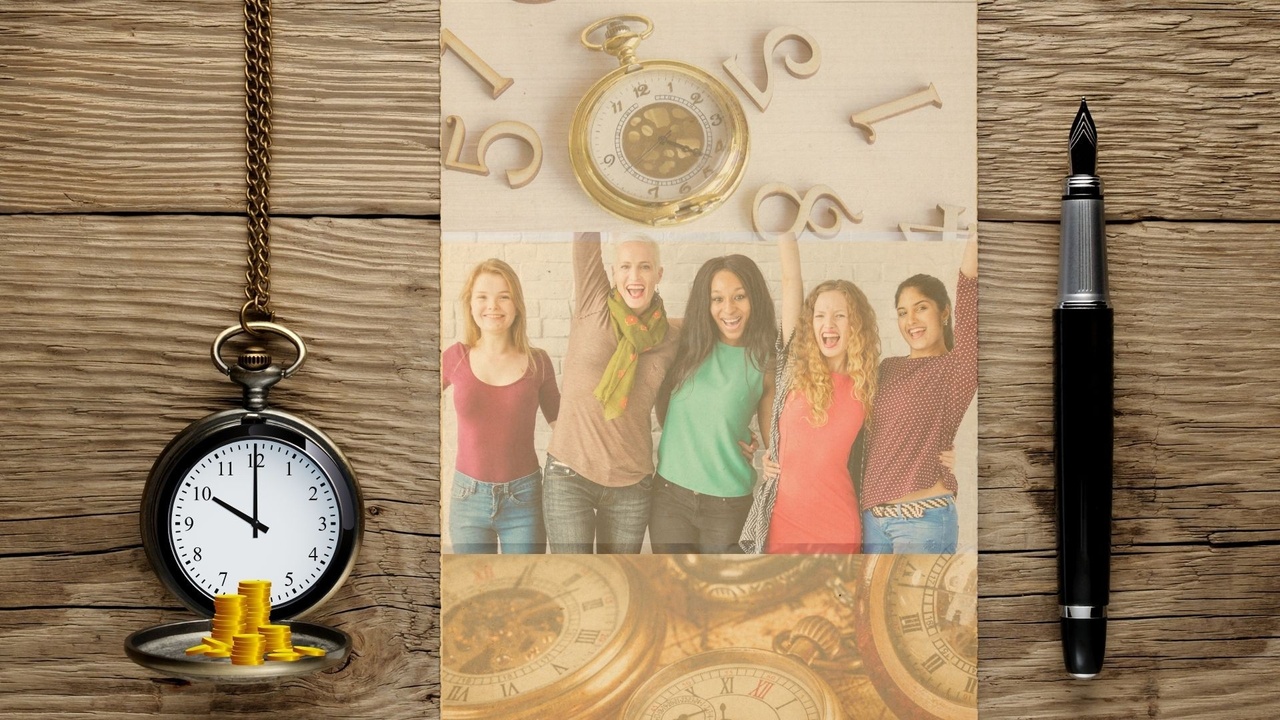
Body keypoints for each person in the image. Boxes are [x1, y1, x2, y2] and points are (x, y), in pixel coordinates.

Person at [543, 232, 679, 553]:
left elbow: (720, 328)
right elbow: (584, 231)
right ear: (613, 272)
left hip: (631, 487)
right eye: (626, 267)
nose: (634, 276)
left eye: (645, 267)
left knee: (617, 585)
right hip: (569, 476)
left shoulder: (672, 336)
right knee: (575, 584)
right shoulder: (594, 303)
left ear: (658, 275)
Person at [760, 233, 880, 553]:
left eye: (840, 315)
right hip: (784, 521)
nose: (829, 324)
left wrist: (945, 455)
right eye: (820, 315)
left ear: (855, 324)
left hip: (837, 525)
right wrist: (785, 226)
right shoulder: (793, 367)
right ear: (809, 322)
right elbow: (790, 280)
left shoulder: (868, 385)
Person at [860, 233, 978, 553]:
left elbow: (970, 291)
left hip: (923, 519)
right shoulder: (887, 368)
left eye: (920, 308)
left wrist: (974, 232)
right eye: (902, 312)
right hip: (872, 519)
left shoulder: (956, 369)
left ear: (944, 312)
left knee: (912, 606)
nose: (910, 320)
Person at [651, 255, 776, 553]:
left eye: (740, 297)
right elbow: (664, 404)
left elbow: (775, 442)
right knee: (671, 595)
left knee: (721, 597)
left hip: (727, 506)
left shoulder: (765, 362)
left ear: (754, 298)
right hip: (669, 498)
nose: (729, 309)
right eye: (717, 299)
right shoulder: (684, 342)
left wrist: (758, 450)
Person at [443, 259, 560, 554]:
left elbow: (563, 427)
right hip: (467, 498)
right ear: (470, 305)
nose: (493, 306)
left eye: (503, 296)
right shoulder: (455, 357)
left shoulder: (539, 361)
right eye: (482, 297)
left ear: (517, 304)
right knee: (472, 595)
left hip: (524, 499)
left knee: (523, 595)